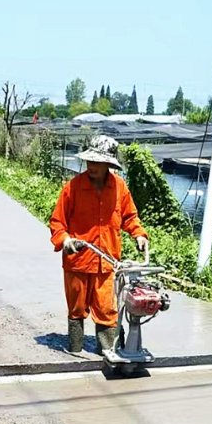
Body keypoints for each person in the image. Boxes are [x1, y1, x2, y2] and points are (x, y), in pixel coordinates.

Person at [49, 138, 149, 356]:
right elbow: (57, 222)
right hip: (78, 260)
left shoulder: (119, 188)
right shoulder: (73, 188)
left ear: (108, 165)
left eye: (97, 162)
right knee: (77, 309)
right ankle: (75, 349)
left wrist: (139, 235)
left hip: (107, 262)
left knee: (107, 308)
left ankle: (108, 350)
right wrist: (65, 240)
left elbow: (130, 217)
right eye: (90, 161)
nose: (92, 166)